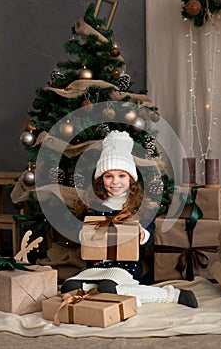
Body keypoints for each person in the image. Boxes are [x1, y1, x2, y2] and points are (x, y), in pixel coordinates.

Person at [61, 130, 198, 308]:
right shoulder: (93, 205)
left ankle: (171, 295)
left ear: (131, 178)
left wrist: (142, 234)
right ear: (101, 179)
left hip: (126, 269)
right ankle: (111, 292)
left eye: (121, 176)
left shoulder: (138, 206)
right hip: (96, 268)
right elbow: (81, 229)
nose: (115, 182)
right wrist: (84, 234)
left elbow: (149, 232)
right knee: (69, 287)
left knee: (109, 288)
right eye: (109, 176)